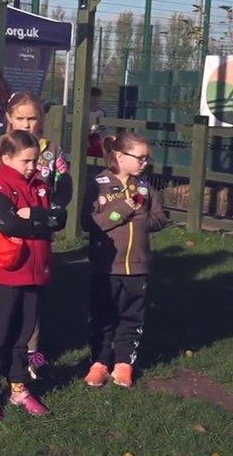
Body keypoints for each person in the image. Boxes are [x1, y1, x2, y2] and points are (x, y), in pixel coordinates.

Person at [0, 130, 65, 422]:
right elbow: (9, 225)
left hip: (34, 273)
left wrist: (32, 216)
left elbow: (58, 219)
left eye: (35, 160)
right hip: (3, 273)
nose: (32, 166)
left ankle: (18, 386)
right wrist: (39, 219)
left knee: (23, 335)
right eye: (26, 161)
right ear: (5, 158)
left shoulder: (39, 184)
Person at [0, 91, 72, 378]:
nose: (26, 124)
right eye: (20, 118)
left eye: (32, 119)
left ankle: (32, 353)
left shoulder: (51, 149)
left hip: (39, 232)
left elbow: (64, 183)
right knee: (5, 305)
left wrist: (52, 211)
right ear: (9, 118)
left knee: (32, 299)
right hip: (6, 239)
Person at [83, 132, 168, 389]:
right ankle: (99, 361)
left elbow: (160, 219)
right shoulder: (98, 183)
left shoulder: (145, 187)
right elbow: (90, 222)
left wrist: (142, 219)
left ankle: (124, 363)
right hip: (106, 266)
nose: (145, 163)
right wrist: (123, 211)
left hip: (138, 267)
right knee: (103, 315)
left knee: (132, 316)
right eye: (140, 157)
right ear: (120, 156)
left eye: (147, 159)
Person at [87, 87, 107, 158]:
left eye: (97, 97)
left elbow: (103, 129)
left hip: (97, 140)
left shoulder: (101, 113)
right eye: (93, 96)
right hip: (84, 138)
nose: (95, 99)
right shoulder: (83, 112)